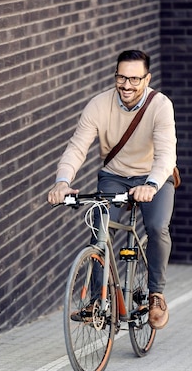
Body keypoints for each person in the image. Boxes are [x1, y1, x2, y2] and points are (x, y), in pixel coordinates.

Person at [47, 50, 176, 329]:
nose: (126, 85)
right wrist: (62, 181)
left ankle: (156, 294)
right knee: (100, 229)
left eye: (134, 79)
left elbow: (166, 154)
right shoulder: (98, 105)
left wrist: (152, 184)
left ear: (147, 78)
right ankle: (97, 300)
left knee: (156, 227)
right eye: (121, 77)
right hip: (114, 175)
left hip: (153, 177)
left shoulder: (160, 105)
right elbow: (77, 147)